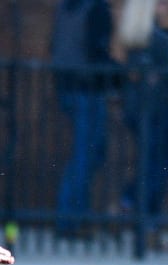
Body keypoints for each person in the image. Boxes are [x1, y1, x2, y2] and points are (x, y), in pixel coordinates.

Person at [116, 0, 168, 256]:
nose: (166, 6)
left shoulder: (135, 37)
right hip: (157, 112)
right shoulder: (156, 38)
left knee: (150, 166)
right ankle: (144, 223)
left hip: (140, 111)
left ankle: (132, 209)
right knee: (158, 169)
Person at [49, 0, 119, 240]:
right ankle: (71, 221)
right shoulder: (96, 8)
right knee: (86, 156)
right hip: (86, 90)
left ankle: (73, 218)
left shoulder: (66, 6)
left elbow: (54, 45)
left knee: (86, 155)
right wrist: (120, 78)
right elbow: (97, 52)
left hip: (66, 86)